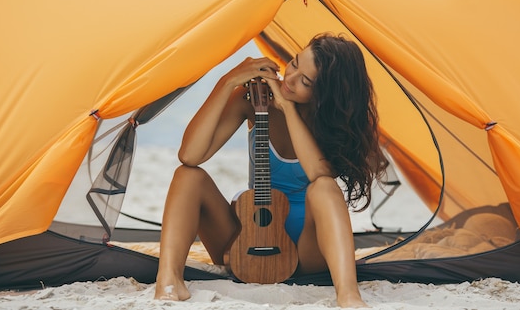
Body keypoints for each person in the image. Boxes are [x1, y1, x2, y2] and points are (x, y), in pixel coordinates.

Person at [154, 33, 389, 308]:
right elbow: (190, 155)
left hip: (305, 250)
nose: (289, 80)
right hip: (246, 245)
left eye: (305, 81)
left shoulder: (334, 125)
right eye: (294, 63)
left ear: (326, 94)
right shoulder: (256, 99)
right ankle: (169, 280)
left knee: (325, 186)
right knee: (187, 175)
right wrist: (227, 81)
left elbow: (318, 174)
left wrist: (287, 109)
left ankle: (348, 295)